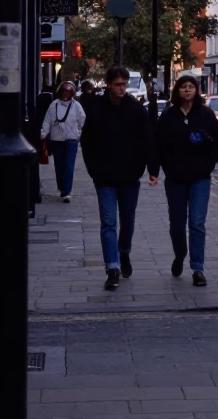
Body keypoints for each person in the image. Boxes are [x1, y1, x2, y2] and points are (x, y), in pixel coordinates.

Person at [81, 65, 159, 291]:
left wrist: (152, 168)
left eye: (124, 84)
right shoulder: (97, 109)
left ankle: (124, 252)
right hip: (104, 176)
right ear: (108, 84)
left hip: (129, 175)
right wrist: (93, 170)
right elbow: (87, 142)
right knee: (108, 222)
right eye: (118, 84)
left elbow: (148, 140)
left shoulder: (135, 110)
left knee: (128, 221)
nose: (122, 89)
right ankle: (112, 267)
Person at [156, 73, 218, 287]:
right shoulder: (168, 116)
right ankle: (179, 254)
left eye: (191, 87)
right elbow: (159, 145)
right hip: (175, 178)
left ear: (196, 91)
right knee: (177, 225)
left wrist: (209, 164)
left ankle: (197, 268)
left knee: (197, 223)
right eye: (183, 87)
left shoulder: (205, 114)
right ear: (177, 91)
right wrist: (165, 168)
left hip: (200, 178)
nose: (187, 90)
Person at [40, 81, 86, 201]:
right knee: (59, 165)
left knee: (69, 166)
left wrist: (78, 132)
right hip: (56, 140)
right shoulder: (53, 105)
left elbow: (82, 120)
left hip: (71, 140)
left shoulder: (76, 106)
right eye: (64, 91)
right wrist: (44, 134)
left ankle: (66, 191)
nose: (66, 94)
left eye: (68, 92)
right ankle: (61, 187)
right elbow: (47, 121)